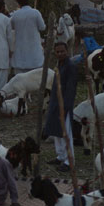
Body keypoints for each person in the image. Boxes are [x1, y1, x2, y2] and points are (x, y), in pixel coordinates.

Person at [42, 41, 77, 171]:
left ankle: (69, 160)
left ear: (67, 51)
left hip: (64, 104)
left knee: (66, 132)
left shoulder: (70, 66)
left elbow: (71, 88)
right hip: (55, 102)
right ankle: (61, 156)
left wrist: (66, 106)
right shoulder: (59, 65)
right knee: (56, 131)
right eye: (58, 52)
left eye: (62, 51)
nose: (60, 53)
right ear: (55, 53)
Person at [10, 0, 45, 74]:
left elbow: (11, 26)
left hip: (20, 54)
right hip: (35, 55)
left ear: (19, 4)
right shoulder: (36, 13)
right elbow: (42, 27)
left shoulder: (15, 14)